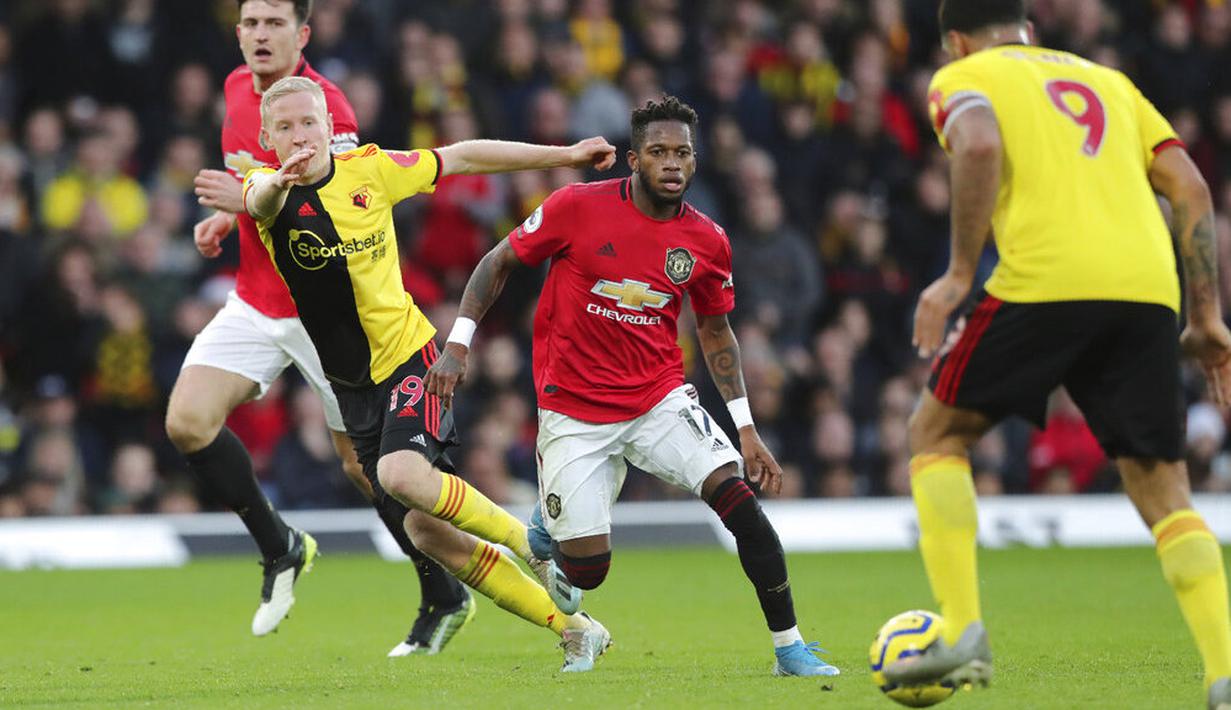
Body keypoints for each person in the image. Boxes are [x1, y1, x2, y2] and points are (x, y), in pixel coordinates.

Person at [886, 2, 1231, 707]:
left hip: (1044, 280)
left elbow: (978, 145)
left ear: (954, 39)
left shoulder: (963, 76)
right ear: (1028, 30)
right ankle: (1224, 672)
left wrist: (957, 274)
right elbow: (1191, 189)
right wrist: (1205, 317)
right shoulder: (1110, 82)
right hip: (1144, 289)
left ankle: (963, 630)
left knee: (935, 433)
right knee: (1164, 490)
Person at [425, 96, 840, 678]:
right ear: (633, 159)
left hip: (658, 400)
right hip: (574, 413)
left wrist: (745, 428)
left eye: (683, 153)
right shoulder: (575, 207)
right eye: (659, 152)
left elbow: (717, 334)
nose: (672, 163)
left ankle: (791, 648)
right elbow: (496, 263)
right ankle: (551, 533)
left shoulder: (708, 241)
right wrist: (459, 342)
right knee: (587, 575)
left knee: (741, 505)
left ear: (694, 163)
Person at [242, 75, 618, 672]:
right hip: (354, 391)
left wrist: (566, 154)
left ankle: (535, 544)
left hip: (411, 358)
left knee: (400, 475)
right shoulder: (268, 194)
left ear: (330, 128)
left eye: (308, 123)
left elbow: (465, 155)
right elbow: (258, 195)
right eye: (283, 128)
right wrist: (271, 182)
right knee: (427, 533)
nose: (298, 137)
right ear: (266, 137)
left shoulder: (370, 170)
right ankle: (575, 628)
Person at [166, 0, 465, 655]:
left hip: (321, 312)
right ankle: (282, 548)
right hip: (254, 300)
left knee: (365, 470)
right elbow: (264, 185)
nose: (260, 35)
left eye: (275, 23)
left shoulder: (330, 108)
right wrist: (234, 217)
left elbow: (322, 197)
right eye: (250, 23)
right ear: (238, 33)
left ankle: (443, 589)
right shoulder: (235, 87)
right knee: (187, 421)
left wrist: (247, 199)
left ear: (302, 34)